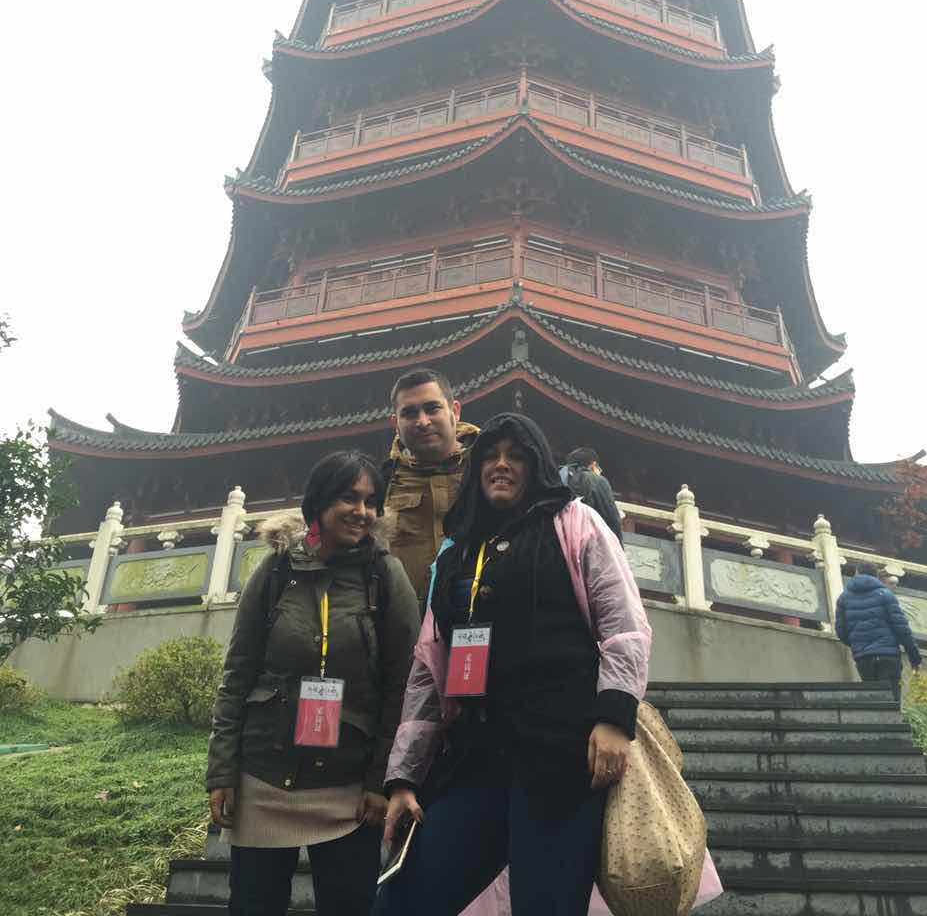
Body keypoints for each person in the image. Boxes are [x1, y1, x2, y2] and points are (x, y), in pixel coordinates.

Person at [374, 412, 650, 916]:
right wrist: (404, 777)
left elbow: (623, 623)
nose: (502, 466)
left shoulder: (575, 523)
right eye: (491, 457)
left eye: (517, 456)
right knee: (402, 900)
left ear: (537, 465)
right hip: (473, 759)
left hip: (560, 758)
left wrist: (613, 717)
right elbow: (426, 670)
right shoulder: (457, 552)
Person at [206, 449, 420, 916]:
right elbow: (238, 671)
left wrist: (380, 780)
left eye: (370, 501)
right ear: (318, 503)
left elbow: (401, 685)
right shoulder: (277, 570)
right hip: (264, 773)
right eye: (348, 498)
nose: (361, 512)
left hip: (347, 784)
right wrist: (222, 770)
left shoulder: (384, 576)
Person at [382, 368, 480, 600]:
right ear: (395, 423)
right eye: (409, 413)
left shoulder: (489, 468)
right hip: (408, 626)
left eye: (432, 408)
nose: (422, 422)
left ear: (454, 410)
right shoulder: (381, 483)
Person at [835, 560, 922, 703]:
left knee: (874, 701)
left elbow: (841, 631)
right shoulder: (886, 595)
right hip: (888, 656)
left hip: (863, 658)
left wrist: (857, 643)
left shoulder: (844, 598)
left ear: (857, 573)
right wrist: (914, 657)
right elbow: (902, 629)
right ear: (876, 576)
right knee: (891, 700)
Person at [558, 447, 623, 543]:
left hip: (559, 538)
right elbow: (611, 517)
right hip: (585, 541)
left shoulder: (558, 478)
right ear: (593, 464)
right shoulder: (597, 480)